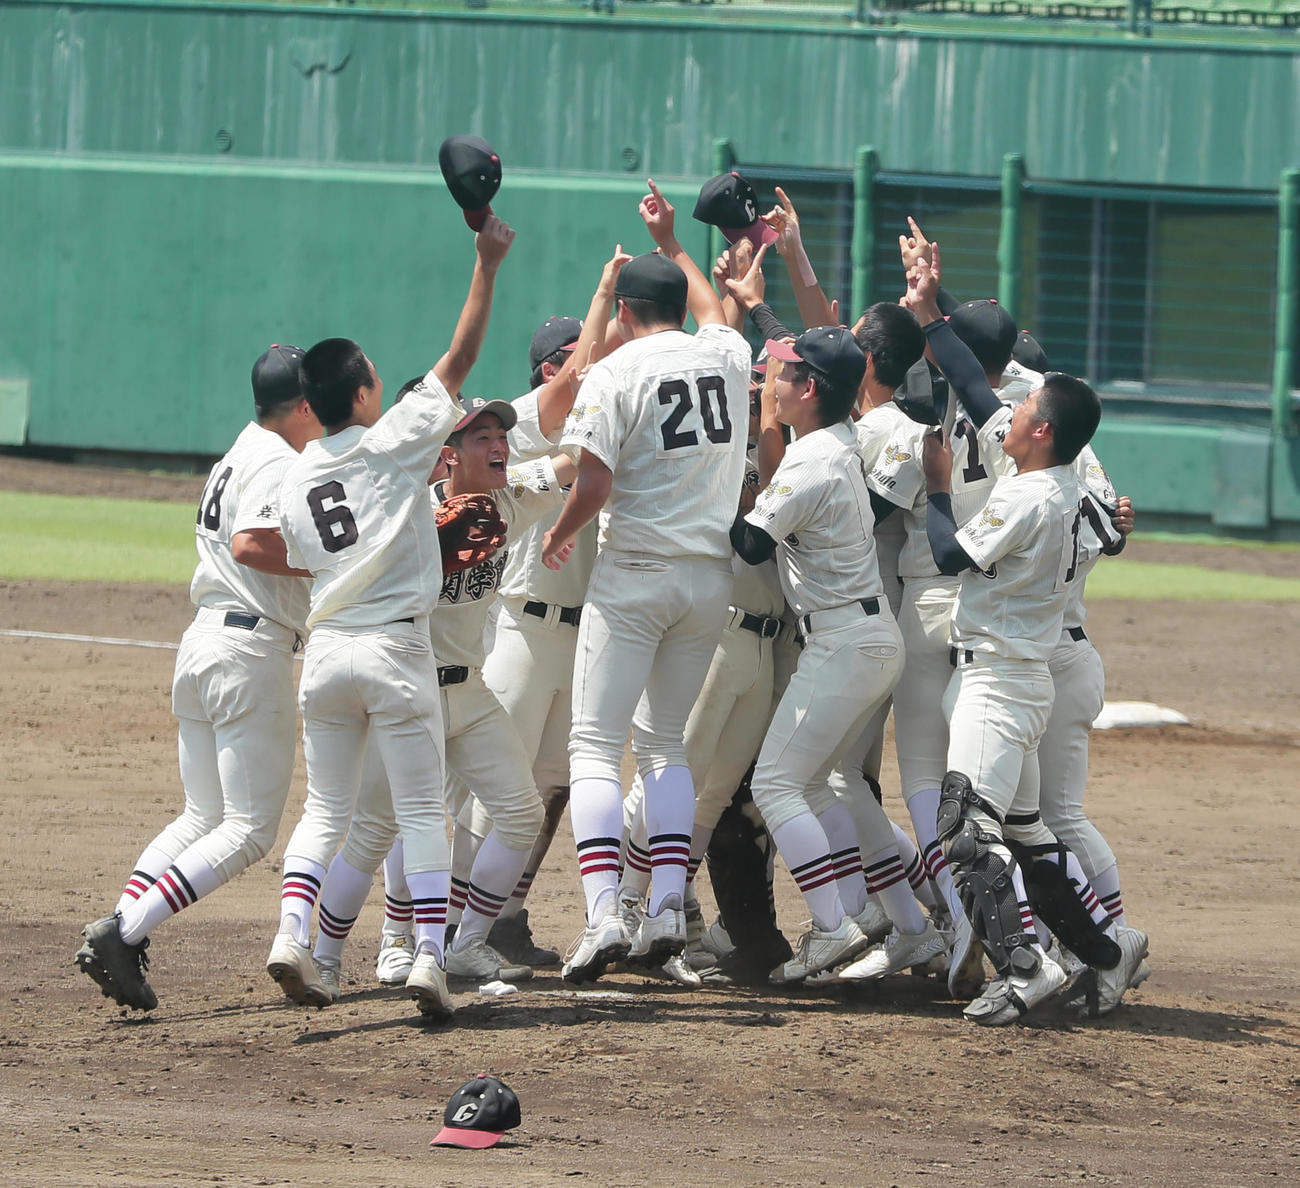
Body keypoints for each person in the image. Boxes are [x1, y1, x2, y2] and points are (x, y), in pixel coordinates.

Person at [266, 215, 514, 1021]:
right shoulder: (394, 442)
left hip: (326, 651)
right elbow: (462, 357)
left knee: (326, 812)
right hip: (395, 652)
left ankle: (293, 934)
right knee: (419, 814)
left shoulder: (298, 476)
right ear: (366, 392)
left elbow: (301, 556)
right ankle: (430, 959)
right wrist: (486, 261)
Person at [912, 247, 1147, 1025]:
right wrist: (928, 302)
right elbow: (978, 385)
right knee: (1031, 839)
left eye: (1020, 409)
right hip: (1031, 667)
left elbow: (948, 556)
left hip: (1002, 675)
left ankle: (1023, 966)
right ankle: (1107, 950)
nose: (1003, 409)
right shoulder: (1072, 486)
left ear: (1042, 430)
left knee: (965, 832)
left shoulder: (1028, 498)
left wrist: (939, 486)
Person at [542, 180, 752, 983]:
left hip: (634, 572)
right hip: (708, 580)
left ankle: (603, 918)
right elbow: (714, 312)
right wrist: (673, 244)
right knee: (665, 746)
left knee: (595, 746)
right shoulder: (725, 356)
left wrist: (562, 538)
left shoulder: (616, 373)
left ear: (624, 312)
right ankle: (665, 904)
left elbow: (590, 489)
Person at [75, 346, 321, 1012]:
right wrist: (329, 568)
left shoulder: (240, 450)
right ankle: (125, 930)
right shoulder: (277, 459)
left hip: (204, 641)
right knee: (246, 830)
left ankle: (123, 929)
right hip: (247, 652)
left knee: (203, 815)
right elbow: (253, 543)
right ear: (302, 406)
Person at [732, 327, 936, 983]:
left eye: (782, 374)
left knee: (775, 783)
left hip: (844, 641)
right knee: (823, 784)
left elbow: (752, 545)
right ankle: (909, 926)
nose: (771, 381)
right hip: (867, 637)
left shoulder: (811, 459)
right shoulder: (840, 441)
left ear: (810, 388)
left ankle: (831, 925)